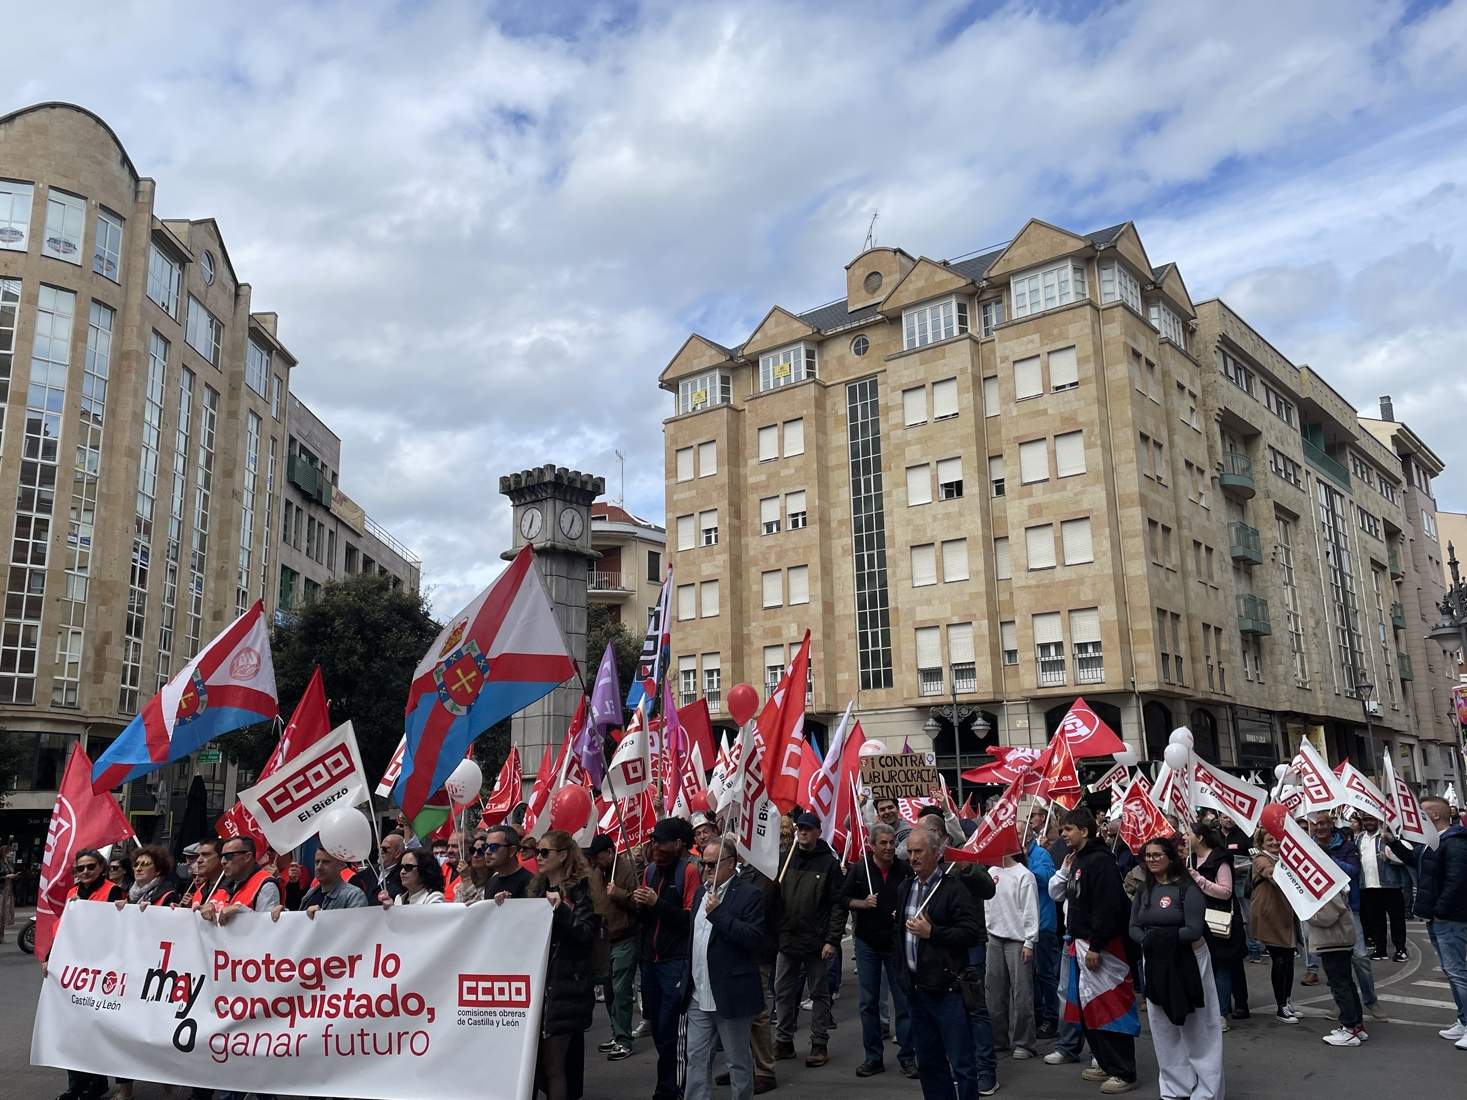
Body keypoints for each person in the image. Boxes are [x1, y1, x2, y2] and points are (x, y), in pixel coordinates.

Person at [1049, 807, 1138, 1095]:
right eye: (1062, 830)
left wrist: (1097, 945)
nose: (1063, 834)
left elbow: (1108, 907)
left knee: (1110, 1006)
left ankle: (1123, 1070)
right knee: (1090, 1008)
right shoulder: (1079, 860)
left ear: (1084, 831)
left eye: (1068, 829)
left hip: (1101, 949)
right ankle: (1105, 1060)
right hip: (1081, 944)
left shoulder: (1100, 862)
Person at [898, 827, 988, 1099]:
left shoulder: (953, 888)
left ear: (937, 854)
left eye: (919, 851)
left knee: (961, 1063)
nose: (913, 858)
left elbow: (971, 933)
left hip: (948, 991)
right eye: (910, 852)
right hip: (917, 991)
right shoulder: (906, 887)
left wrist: (933, 933)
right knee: (929, 1063)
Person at [1130, 836, 1221, 1100]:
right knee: (1162, 1025)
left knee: (1197, 1026)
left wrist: (1159, 937)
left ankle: (1207, 1090)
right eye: (1148, 855)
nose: (1152, 860)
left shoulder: (1187, 888)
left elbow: (1193, 929)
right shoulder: (1143, 890)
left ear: (1170, 857)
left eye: (1157, 855)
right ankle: (1174, 1087)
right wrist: (1150, 940)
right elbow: (1134, 927)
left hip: (1188, 960)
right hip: (1155, 961)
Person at [522, 829, 600, 1100]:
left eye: (545, 852)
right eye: (536, 853)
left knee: (555, 1066)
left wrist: (561, 909)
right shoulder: (535, 889)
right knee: (534, 1066)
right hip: (537, 987)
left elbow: (584, 934)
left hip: (564, 988)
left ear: (563, 855)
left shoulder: (579, 892)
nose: (539, 858)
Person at [685, 838, 765, 1100]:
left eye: (713, 863)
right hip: (699, 993)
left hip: (730, 993)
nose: (706, 868)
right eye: (703, 862)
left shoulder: (748, 894)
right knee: (696, 1057)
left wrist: (719, 914)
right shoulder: (700, 892)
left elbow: (753, 938)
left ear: (731, 864)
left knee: (737, 1061)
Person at [773, 810, 845, 1068]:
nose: (802, 832)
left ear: (817, 832)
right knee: (783, 991)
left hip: (816, 942)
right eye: (799, 828)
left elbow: (838, 905)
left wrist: (832, 940)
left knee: (819, 994)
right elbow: (775, 898)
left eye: (807, 828)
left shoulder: (828, 864)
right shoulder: (785, 859)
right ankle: (783, 1041)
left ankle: (819, 1043)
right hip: (787, 939)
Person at [843, 820, 915, 1078]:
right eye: (882, 843)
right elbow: (843, 898)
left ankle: (908, 1055)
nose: (888, 848)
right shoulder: (860, 869)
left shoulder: (904, 869)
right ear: (872, 846)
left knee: (904, 1001)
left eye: (891, 842)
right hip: (867, 944)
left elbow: (917, 897)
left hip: (895, 944)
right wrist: (863, 903)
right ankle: (873, 1057)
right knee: (868, 1002)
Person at [634, 817, 700, 1100]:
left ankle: (672, 1089)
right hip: (650, 961)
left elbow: (690, 919)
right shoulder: (649, 872)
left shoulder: (688, 872)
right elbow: (646, 919)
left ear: (678, 844)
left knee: (671, 1028)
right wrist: (638, 904)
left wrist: (656, 904)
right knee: (658, 1028)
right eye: (653, 841)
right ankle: (666, 1084)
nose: (655, 846)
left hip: (675, 961)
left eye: (661, 841)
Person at [54, 849, 127, 1100]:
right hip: (75, 971)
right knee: (72, 1029)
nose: (85, 872)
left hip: (102, 972)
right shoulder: (72, 893)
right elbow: (63, 929)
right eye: (80, 868)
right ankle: (77, 1083)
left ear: (101, 868)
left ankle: (97, 1083)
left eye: (90, 867)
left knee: (95, 1031)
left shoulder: (113, 892)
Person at [1310, 811, 1379, 1018]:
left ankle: (1370, 1000)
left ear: (1331, 824)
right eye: (1315, 824)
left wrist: (1327, 857)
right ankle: (1343, 1004)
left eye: (1323, 823)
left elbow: (1353, 871)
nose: (1319, 827)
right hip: (1322, 910)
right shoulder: (1307, 848)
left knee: (1360, 957)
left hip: (1349, 908)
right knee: (1333, 961)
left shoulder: (1346, 846)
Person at [1415, 796, 1467, 1046]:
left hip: (1450, 918)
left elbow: (1457, 880)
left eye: (1422, 812)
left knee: (1458, 972)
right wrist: (1393, 842)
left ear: (1434, 815)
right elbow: (1417, 863)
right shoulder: (1433, 842)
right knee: (1451, 971)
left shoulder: (1454, 842)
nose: (1417, 816)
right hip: (1438, 917)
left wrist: (1440, 910)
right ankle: (1463, 1020)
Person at [1187, 821, 1247, 1027]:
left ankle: (1221, 1013)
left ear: (1200, 837)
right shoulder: (1191, 858)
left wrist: (1199, 879)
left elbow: (1225, 892)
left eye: (1189, 834)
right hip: (1198, 919)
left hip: (1219, 919)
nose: (1185, 838)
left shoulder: (1219, 859)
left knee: (1221, 965)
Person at [589, 833, 640, 1061]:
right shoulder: (596, 874)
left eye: (599, 857)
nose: (596, 862)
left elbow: (639, 903)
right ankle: (615, 1032)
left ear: (610, 852)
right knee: (609, 990)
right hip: (604, 940)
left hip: (625, 938)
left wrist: (620, 894)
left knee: (621, 990)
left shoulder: (627, 869)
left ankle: (624, 1039)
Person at [987, 850, 1039, 1060]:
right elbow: (987, 905)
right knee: (994, 992)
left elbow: (1030, 910)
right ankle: (998, 1040)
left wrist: (1029, 941)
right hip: (994, 938)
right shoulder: (991, 872)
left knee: (1021, 993)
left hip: (1018, 940)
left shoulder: (1024, 875)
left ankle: (1025, 1042)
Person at [1249, 826, 1300, 1024]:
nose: (1275, 843)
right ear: (1261, 843)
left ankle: (1286, 1001)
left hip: (1286, 916)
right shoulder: (1261, 858)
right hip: (1270, 916)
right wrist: (1278, 873)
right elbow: (1269, 872)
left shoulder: (1285, 858)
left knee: (1288, 960)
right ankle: (1281, 1006)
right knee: (1279, 960)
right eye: (1269, 840)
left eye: (1277, 839)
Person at [1309, 878, 1367, 1046]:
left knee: (1340, 985)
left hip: (1333, 941)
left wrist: (1307, 914)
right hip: (1339, 940)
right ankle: (1356, 1025)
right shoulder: (1333, 881)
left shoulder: (1327, 885)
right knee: (1346, 983)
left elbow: (1326, 916)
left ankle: (1349, 1029)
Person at [1357, 814, 1409, 961]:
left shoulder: (1388, 836)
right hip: (1369, 886)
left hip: (1390, 885)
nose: (1369, 822)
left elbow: (1405, 857)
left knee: (1396, 919)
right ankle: (1380, 950)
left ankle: (1400, 950)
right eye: (1366, 820)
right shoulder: (1359, 838)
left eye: (1371, 819)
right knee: (1376, 920)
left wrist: (1391, 859)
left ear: (1378, 820)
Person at [1026, 835, 1060, 1040]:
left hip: (1043, 924)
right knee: (1030, 976)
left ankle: (1051, 1018)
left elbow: (1048, 879)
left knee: (1045, 974)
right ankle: (1037, 1016)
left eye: (1019, 835)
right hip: (1024, 926)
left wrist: (1023, 867)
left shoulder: (1041, 854)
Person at [201, 839, 280, 925]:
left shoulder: (265, 884)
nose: (223, 861)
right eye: (222, 856)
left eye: (229, 856)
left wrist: (240, 910)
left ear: (247, 857)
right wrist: (211, 908)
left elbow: (268, 926)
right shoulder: (224, 884)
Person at [272, 848, 368, 919]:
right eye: (317, 862)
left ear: (340, 865)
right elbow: (299, 923)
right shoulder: (310, 895)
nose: (319, 867)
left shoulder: (354, 896)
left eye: (326, 862)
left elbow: (356, 931)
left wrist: (322, 917)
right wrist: (284, 915)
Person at [116, 846, 176, 911]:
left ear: (158, 870)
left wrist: (152, 910)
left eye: (145, 864)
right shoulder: (127, 894)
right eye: (136, 864)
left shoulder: (169, 896)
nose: (138, 869)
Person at [484, 825, 534, 898]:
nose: (487, 852)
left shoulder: (529, 882)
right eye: (485, 846)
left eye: (494, 847)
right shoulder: (491, 882)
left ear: (512, 851)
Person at [454, 834, 496, 904]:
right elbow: (456, 903)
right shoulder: (467, 876)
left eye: (480, 852)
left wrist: (467, 879)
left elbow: (479, 905)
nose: (475, 855)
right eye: (473, 850)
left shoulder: (495, 879)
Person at [377, 833, 406, 902]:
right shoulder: (367, 873)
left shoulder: (403, 876)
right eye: (380, 848)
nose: (381, 851)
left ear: (397, 853)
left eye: (385, 849)